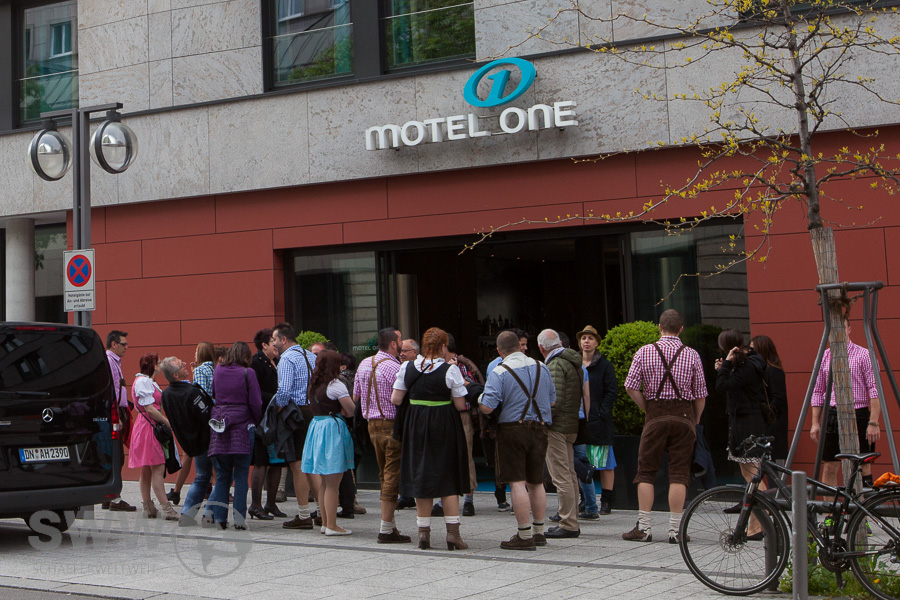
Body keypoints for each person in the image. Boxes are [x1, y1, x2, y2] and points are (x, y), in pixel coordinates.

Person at [623, 309, 707, 544]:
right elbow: (700, 395)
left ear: (659, 327)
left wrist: (648, 409)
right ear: (681, 329)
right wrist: (695, 420)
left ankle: (644, 528)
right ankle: (675, 530)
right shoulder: (692, 354)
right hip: (684, 416)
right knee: (679, 473)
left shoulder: (644, 351)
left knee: (646, 472)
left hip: (655, 415)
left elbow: (630, 386)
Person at [390, 327, 469, 551]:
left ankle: (423, 533)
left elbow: (396, 399)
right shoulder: (450, 370)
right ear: (443, 346)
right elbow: (460, 404)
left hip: (416, 423)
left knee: (421, 473)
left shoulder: (407, 367)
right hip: (443, 423)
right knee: (448, 476)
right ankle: (453, 534)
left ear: (424, 346)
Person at [479, 330, 556, 550]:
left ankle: (524, 535)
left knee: (517, 482)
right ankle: (539, 532)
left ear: (499, 350)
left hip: (512, 429)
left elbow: (487, 407)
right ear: (520, 346)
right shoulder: (541, 367)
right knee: (536, 481)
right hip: (540, 428)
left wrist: (479, 397)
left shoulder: (499, 371)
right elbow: (552, 401)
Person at [352, 327, 411, 543]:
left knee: (384, 474)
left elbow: (356, 397)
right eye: (400, 340)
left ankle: (390, 525)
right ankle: (386, 528)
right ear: (393, 344)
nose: (402, 344)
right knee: (391, 475)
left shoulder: (364, 364)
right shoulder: (395, 367)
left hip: (372, 426)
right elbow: (403, 397)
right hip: (391, 425)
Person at [810, 319, 881, 489]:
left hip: (859, 413)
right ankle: (830, 506)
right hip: (832, 414)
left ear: (849, 329)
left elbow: (875, 389)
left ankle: (863, 504)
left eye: (842, 327)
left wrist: (873, 422)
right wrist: (815, 422)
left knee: (863, 465)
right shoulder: (825, 356)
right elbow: (817, 391)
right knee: (829, 465)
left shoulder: (864, 355)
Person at [207, 341, 262, 529]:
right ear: (246, 356)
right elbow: (256, 402)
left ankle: (220, 519)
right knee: (241, 475)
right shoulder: (248, 373)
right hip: (243, 427)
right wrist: (255, 420)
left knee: (222, 475)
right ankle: (239, 520)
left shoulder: (219, 370)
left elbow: (214, 393)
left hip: (220, 426)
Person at [302, 351, 357, 536]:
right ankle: (332, 525)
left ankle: (326, 523)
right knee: (333, 482)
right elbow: (351, 410)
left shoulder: (313, 385)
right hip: (332, 430)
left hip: (317, 427)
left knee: (325, 481)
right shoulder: (336, 385)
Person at [272, 322, 319, 529]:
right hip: (312, 411)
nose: (273, 344)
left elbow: (283, 391)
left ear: (283, 339)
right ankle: (322, 511)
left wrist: (276, 412)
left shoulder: (287, 358)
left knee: (298, 464)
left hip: (295, 413)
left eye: (275, 339)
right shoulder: (310, 356)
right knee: (312, 464)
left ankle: (304, 514)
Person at [538, 329, 585, 539]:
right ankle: (572, 519)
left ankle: (568, 522)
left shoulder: (555, 364)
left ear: (541, 348)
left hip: (557, 426)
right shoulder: (573, 361)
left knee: (561, 476)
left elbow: (553, 401)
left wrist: (543, 420)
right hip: (571, 424)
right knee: (570, 474)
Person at [158, 356, 213, 526]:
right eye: (181, 365)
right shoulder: (192, 392)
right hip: (206, 440)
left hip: (189, 442)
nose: (184, 365)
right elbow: (208, 415)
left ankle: (189, 514)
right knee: (217, 477)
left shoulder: (166, 394)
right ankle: (209, 513)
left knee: (203, 476)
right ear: (175, 375)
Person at [130, 353, 179, 520]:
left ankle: (149, 507)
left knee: (146, 469)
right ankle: (167, 509)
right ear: (152, 366)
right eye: (157, 363)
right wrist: (167, 422)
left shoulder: (145, 381)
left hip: (145, 426)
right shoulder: (143, 381)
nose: (159, 366)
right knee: (158, 468)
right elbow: (150, 409)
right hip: (149, 427)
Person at [167, 341, 216, 506]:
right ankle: (210, 494)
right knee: (212, 466)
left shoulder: (200, 372)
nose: (194, 355)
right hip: (211, 421)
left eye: (196, 351)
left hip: (199, 427)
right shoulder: (215, 369)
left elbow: (199, 395)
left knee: (200, 469)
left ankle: (180, 495)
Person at [579, 325, 618, 517]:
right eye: (583, 338)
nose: (586, 341)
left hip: (599, 421)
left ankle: (606, 500)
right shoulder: (575, 364)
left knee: (605, 462)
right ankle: (585, 499)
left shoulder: (605, 365)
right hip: (580, 420)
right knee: (581, 460)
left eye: (590, 338)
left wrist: (602, 412)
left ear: (597, 342)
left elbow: (612, 391)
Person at [248, 328, 283, 520]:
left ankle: (271, 503)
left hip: (276, 418)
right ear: (264, 345)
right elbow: (254, 391)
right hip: (262, 418)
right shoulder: (256, 362)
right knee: (261, 462)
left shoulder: (276, 361)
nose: (276, 345)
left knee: (277, 462)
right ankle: (255, 504)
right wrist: (276, 399)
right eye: (273, 342)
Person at [103, 330, 136, 512]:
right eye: (123, 344)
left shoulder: (114, 361)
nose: (126, 347)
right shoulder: (109, 361)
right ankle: (114, 498)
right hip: (114, 414)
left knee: (114, 456)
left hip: (118, 412)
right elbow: (110, 391)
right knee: (116, 458)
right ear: (114, 344)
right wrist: (115, 415)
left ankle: (108, 497)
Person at [751, 335, 789, 464]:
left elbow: (778, 399)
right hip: (765, 422)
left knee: (773, 460)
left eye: (753, 349)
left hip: (772, 424)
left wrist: (766, 414)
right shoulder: (760, 370)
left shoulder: (773, 371)